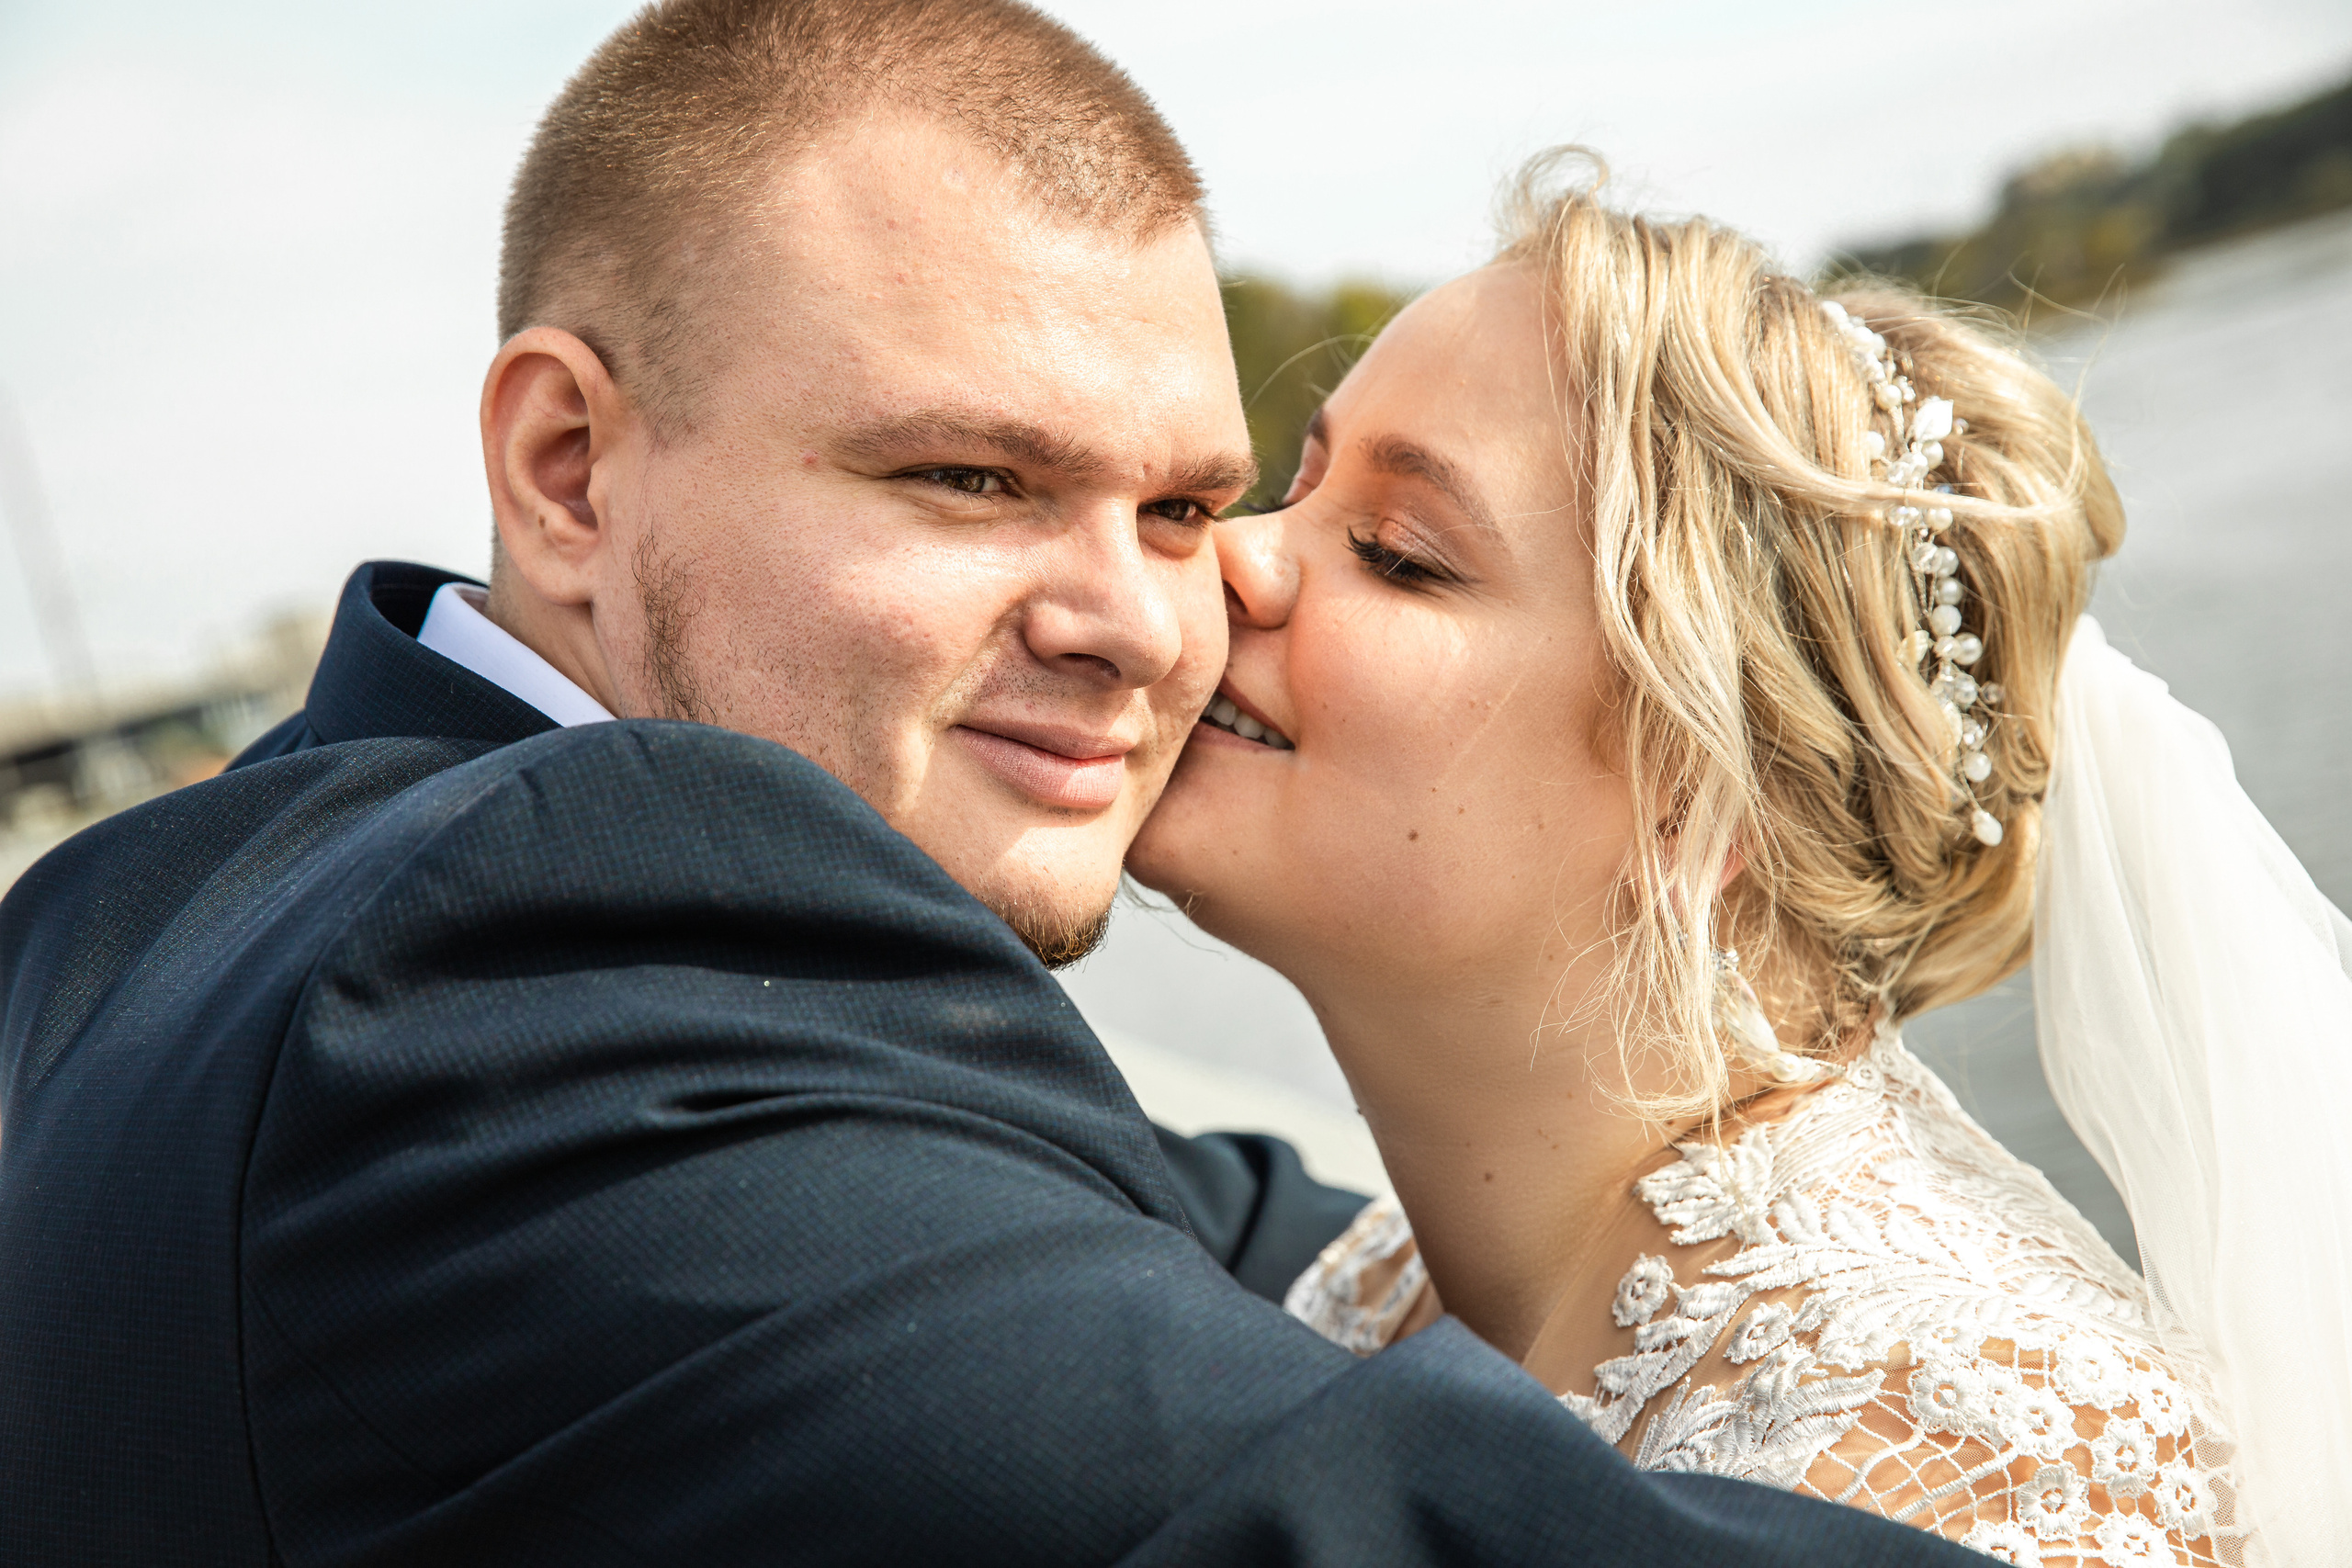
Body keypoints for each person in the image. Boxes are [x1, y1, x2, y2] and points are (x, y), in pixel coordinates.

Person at [0, 5, 1978, 1564]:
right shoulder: (502, 977)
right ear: (568, 471)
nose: (1151, 620)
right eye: (972, 479)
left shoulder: (126, 913)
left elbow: (1163, 1226)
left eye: (1189, 500)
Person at [1132, 159, 2352, 1564]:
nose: (1225, 559)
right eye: (1300, 480)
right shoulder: (1380, 1281)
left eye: (1400, 552)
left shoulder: (1966, 1474)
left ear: (1708, 794)